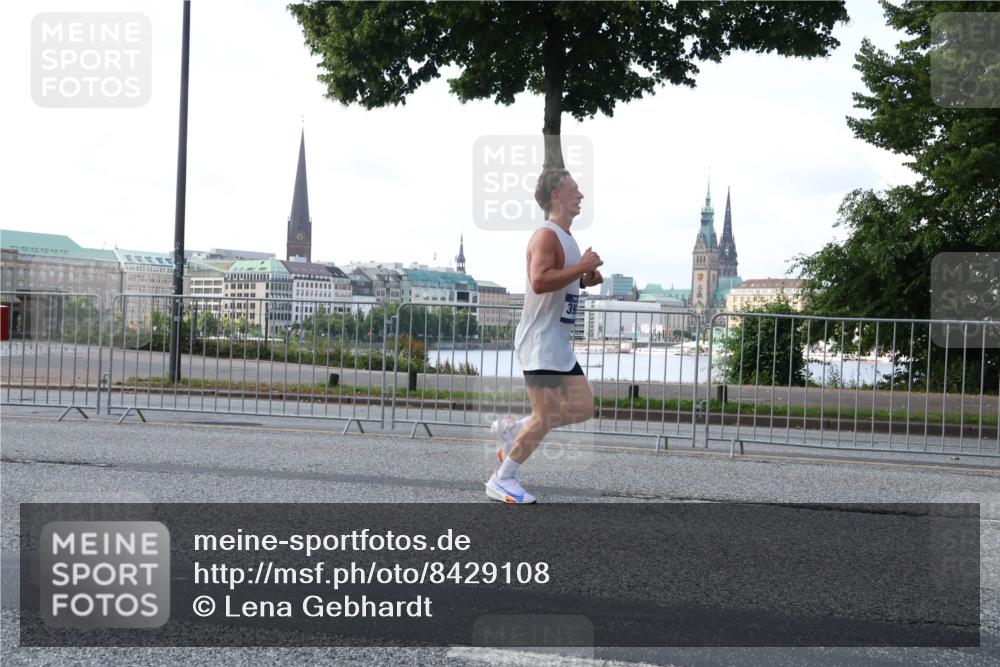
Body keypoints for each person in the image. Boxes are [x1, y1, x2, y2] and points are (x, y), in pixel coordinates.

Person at [485, 169, 604, 504]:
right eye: (574, 189)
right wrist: (580, 268)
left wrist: (584, 279)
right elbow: (539, 280)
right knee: (546, 415)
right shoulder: (545, 236)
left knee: (583, 407)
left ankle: (513, 429)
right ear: (556, 195)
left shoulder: (568, 238)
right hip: (539, 341)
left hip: (557, 342)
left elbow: (560, 281)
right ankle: (502, 478)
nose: (580, 194)